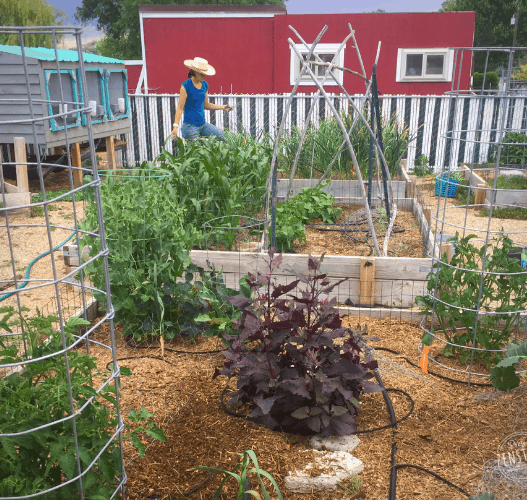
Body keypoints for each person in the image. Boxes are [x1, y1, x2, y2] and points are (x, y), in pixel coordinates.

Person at [171, 57, 232, 142]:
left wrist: (223, 107)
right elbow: (180, 108)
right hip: (190, 127)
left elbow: (206, 105)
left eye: (205, 73)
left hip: (203, 125)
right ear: (194, 71)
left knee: (224, 137)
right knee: (198, 150)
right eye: (202, 73)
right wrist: (175, 126)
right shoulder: (186, 86)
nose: (205, 75)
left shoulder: (205, 85)